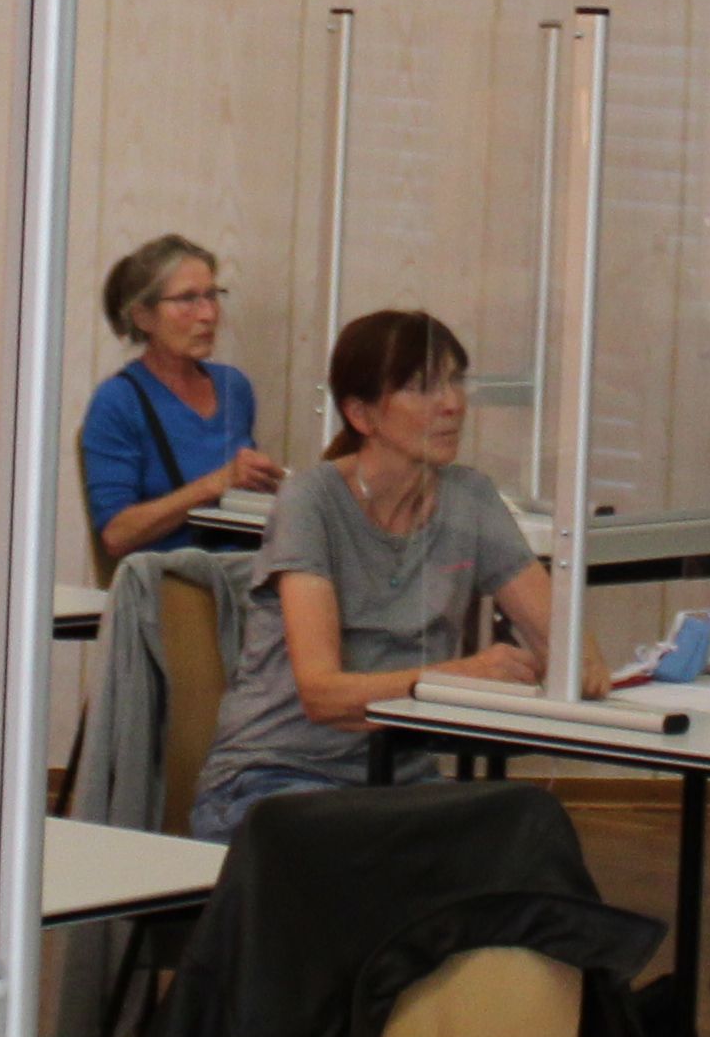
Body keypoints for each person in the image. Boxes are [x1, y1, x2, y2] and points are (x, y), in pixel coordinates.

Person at [186, 308, 556, 840]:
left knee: (533, 823)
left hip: (398, 782)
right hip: (274, 779)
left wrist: (572, 666)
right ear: (362, 415)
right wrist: (468, 675)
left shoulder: (471, 498)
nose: (452, 403)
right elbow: (322, 694)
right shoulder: (311, 501)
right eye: (423, 387)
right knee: (372, 850)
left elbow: (565, 648)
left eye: (456, 380)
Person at [80, 235, 280, 572]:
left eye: (212, 296)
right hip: (169, 583)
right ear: (143, 317)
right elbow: (116, 535)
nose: (208, 314)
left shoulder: (234, 387)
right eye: (188, 299)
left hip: (242, 573)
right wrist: (213, 484)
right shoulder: (118, 401)